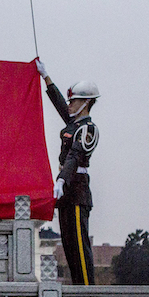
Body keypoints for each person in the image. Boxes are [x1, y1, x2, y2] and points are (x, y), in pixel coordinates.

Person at [36, 59, 99, 285]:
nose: (70, 104)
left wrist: (62, 179)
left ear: (86, 103)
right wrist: (46, 77)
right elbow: (60, 104)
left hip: (77, 187)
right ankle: (79, 291)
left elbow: (74, 156)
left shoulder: (88, 129)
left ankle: (88, 296)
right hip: (65, 190)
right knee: (69, 245)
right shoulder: (73, 124)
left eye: (75, 101)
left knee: (80, 248)